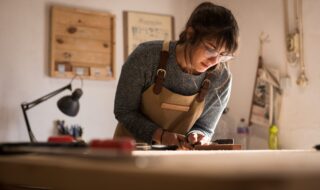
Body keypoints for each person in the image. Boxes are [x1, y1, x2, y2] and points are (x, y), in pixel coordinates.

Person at [113, 2, 239, 148]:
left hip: (177, 160)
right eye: (211, 49)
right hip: (129, 154)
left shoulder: (221, 78)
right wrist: (160, 136)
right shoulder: (146, 57)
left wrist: (198, 135)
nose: (215, 61)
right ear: (190, 34)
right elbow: (124, 111)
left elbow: (205, 127)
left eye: (223, 55)